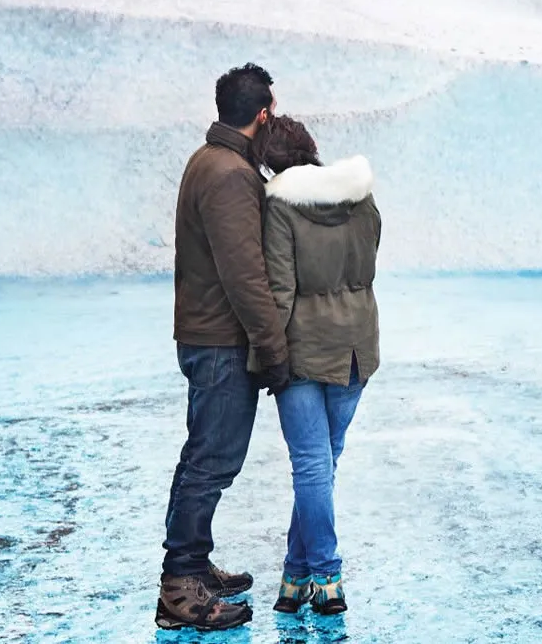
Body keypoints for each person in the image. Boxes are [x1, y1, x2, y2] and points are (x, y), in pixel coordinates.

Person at [159, 64, 291, 632]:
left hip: (204, 333)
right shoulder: (233, 174)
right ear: (261, 114)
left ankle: (192, 565)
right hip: (220, 342)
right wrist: (274, 349)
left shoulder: (205, 160)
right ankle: (180, 585)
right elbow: (245, 275)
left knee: (203, 456)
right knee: (211, 461)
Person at [252, 114, 382, 617]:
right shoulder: (362, 198)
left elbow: (280, 292)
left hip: (302, 351)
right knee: (322, 464)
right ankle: (295, 575)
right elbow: (368, 262)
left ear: (271, 163)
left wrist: (265, 357)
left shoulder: (281, 208)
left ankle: (327, 576)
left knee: (311, 464)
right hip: (356, 347)